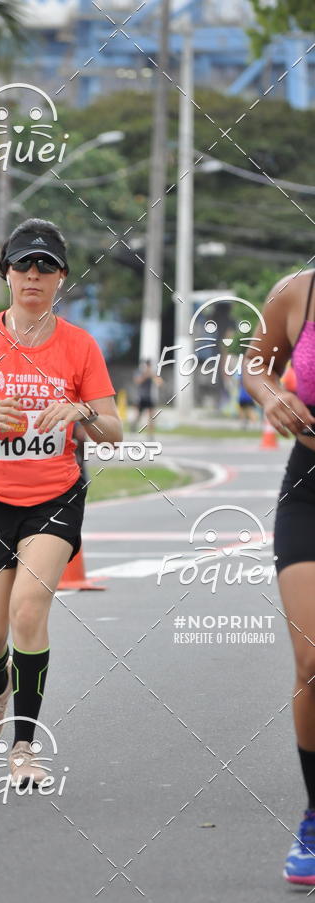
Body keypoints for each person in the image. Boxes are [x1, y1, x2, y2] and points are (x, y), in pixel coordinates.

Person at [0, 218, 122, 786]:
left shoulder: (80, 346)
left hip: (53, 498)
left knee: (29, 610)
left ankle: (24, 748)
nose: (33, 276)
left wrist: (82, 413)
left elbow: (114, 429)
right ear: (6, 274)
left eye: (45, 267)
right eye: (22, 266)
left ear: (62, 277)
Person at [242, 269, 315, 884]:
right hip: (310, 488)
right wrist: (270, 396)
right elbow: (256, 364)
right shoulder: (299, 291)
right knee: (311, 659)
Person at [132, 359, 162, 439]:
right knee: (139, 415)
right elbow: (137, 381)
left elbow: (159, 383)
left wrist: (153, 376)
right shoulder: (139, 372)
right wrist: (145, 375)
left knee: (151, 416)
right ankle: (134, 424)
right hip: (141, 397)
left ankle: (150, 434)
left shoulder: (152, 373)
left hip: (149, 397)